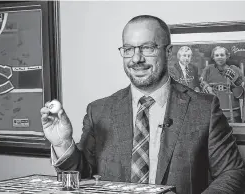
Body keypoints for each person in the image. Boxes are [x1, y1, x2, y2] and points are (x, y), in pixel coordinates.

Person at [40, 15, 245, 194]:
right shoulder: (99, 111)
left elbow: (233, 174)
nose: (136, 59)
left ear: (168, 52)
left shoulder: (204, 109)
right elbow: (82, 177)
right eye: (128, 49)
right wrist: (62, 144)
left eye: (147, 48)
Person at [200, 46, 245, 123]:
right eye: (217, 55)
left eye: (222, 55)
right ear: (213, 57)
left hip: (233, 114)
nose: (219, 57)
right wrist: (206, 87)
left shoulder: (235, 69)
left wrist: (236, 81)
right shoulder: (208, 69)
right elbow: (201, 82)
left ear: (227, 56)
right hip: (214, 113)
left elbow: (240, 95)